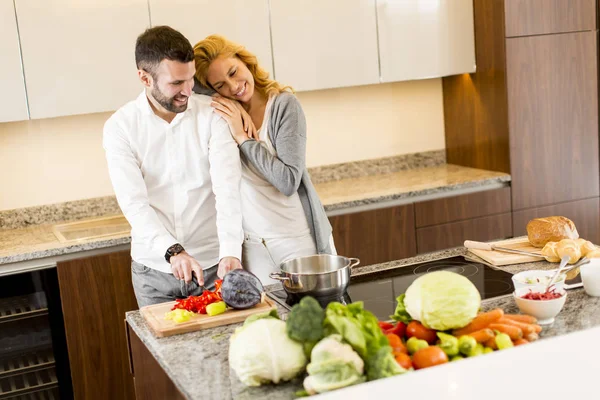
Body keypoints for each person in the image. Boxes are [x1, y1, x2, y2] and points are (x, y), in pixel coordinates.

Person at [103, 26, 244, 307]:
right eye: (176, 83)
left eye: (191, 79)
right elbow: (135, 204)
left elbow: (227, 189)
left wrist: (231, 251)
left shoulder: (212, 115)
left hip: (213, 266)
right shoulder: (120, 128)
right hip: (153, 273)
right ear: (144, 77)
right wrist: (173, 252)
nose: (187, 91)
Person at [193, 35, 336, 284]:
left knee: (315, 320)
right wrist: (233, 106)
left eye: (234, 72)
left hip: (297, 242)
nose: (233, 86)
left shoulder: (283, 106)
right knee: (267, 321)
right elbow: (188, 88)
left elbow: (288, 180)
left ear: (245, 61)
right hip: (253, 248)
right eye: (220, 85)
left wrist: (243, 139)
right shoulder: (224, 113)